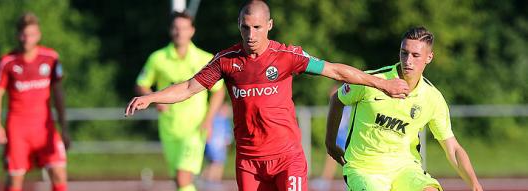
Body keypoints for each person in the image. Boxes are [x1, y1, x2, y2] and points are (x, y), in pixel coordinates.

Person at [125, 1, 409, 190]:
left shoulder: (287, 56)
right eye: (245, 27)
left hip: (287, 158)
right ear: (239, 25)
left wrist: (382, 84)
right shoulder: (226, 60)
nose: (250, 34)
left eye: (257, 27)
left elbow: (335, 71)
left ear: (269, 25)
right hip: (249, 162)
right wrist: (152, 97)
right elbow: (188, 87)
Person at [325, 26, 483, 191]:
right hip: (364, 169)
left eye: (415, 55)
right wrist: (330, 143)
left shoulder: (432, 98)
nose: (408, 61)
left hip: (405, 169)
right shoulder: (371, 81)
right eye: (404, 53)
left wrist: (474, 184)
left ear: (429, 57)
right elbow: (338, 99)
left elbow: (453, 148)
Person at [134, 11, 225, 191]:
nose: (179, 32)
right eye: (176, 28)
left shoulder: (205, 59)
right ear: (170, 30)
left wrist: (209, 120)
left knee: (183, 178)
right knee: (178, 179)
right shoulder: (157, 58)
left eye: (184, 28)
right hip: (169, 128)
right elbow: (141, 84)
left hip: (194, 129)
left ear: (192, 31)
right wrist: (154, 99)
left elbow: (219, 91)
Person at [0, 13, 69, 191]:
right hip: (18, 129)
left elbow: (58, 94)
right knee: (15, 180)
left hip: (45, 127)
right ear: (19, 35)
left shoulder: (50, 58)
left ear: (39, 35)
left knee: (59, 174)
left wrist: (64, 127)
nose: (28, 39)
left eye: (32, 34)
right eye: (24, 34)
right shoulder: (7, 62)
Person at [311, 85, 350, 191]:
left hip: (343, 136)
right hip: (339, 136)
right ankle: (326, 180)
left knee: (340, 161)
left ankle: (327, 181)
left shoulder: (346, 106)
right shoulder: (343, 104)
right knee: (333, 160)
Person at [200, 103, 233, 190]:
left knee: (219, 164)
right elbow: (208, 130)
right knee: (215, 163)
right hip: (213, 145)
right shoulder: (214, 118)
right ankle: (208, 181)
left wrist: (227, 143)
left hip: (221, 146)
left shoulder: (225, 120)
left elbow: (227, 134)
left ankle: (215, 180)